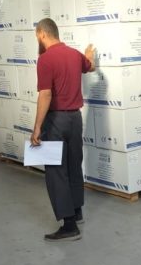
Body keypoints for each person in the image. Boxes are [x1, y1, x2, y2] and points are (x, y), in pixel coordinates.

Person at [30, 18, 95, 242]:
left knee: (56, 171)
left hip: (56, 121)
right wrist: (89, 55)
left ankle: (69, 226)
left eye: (37, 37)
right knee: (73, 165)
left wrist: (37, 127)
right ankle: (77, 212)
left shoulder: (45, 59)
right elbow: (90, 66)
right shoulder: (75, 54)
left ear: (42, 34)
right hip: (75, 119)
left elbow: (45, 94)